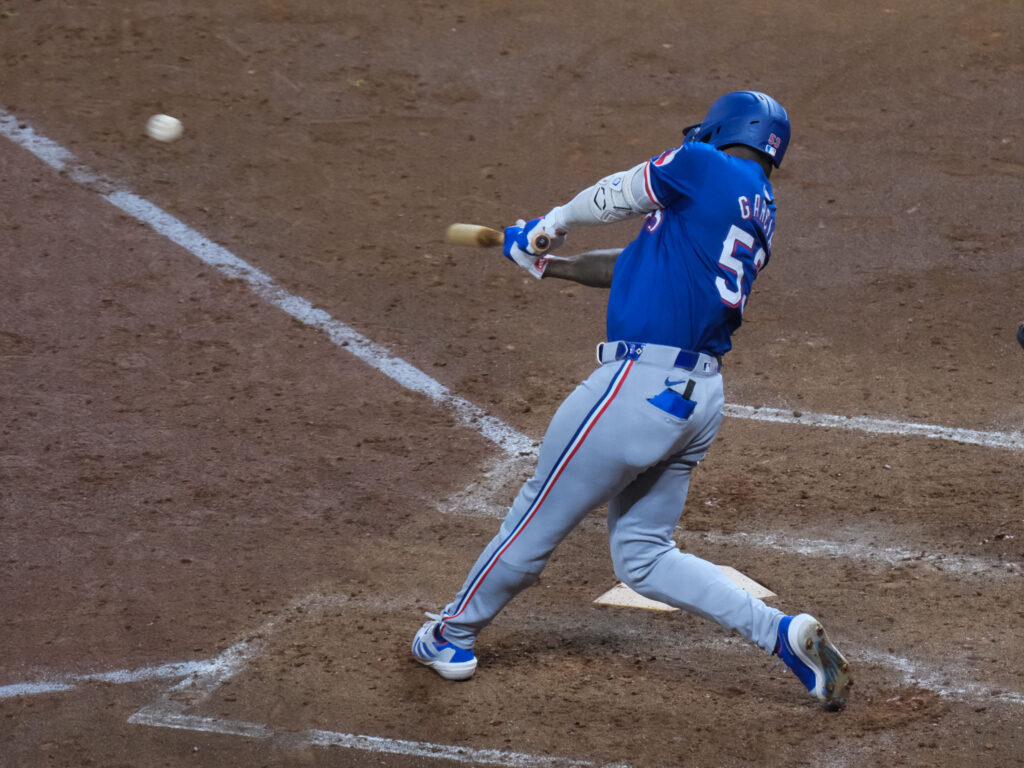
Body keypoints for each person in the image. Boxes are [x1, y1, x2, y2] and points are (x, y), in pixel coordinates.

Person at [412, 91, 852, 709]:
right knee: (643, 556)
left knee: (536, 514)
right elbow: (636, 263)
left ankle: (450, 636)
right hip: (698, 400)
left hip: (637, 389)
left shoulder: (704, 167)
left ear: (724, 130)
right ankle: (780, 634)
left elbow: (619, 191)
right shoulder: (755, 206)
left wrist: (549, 224)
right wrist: (551, 265)